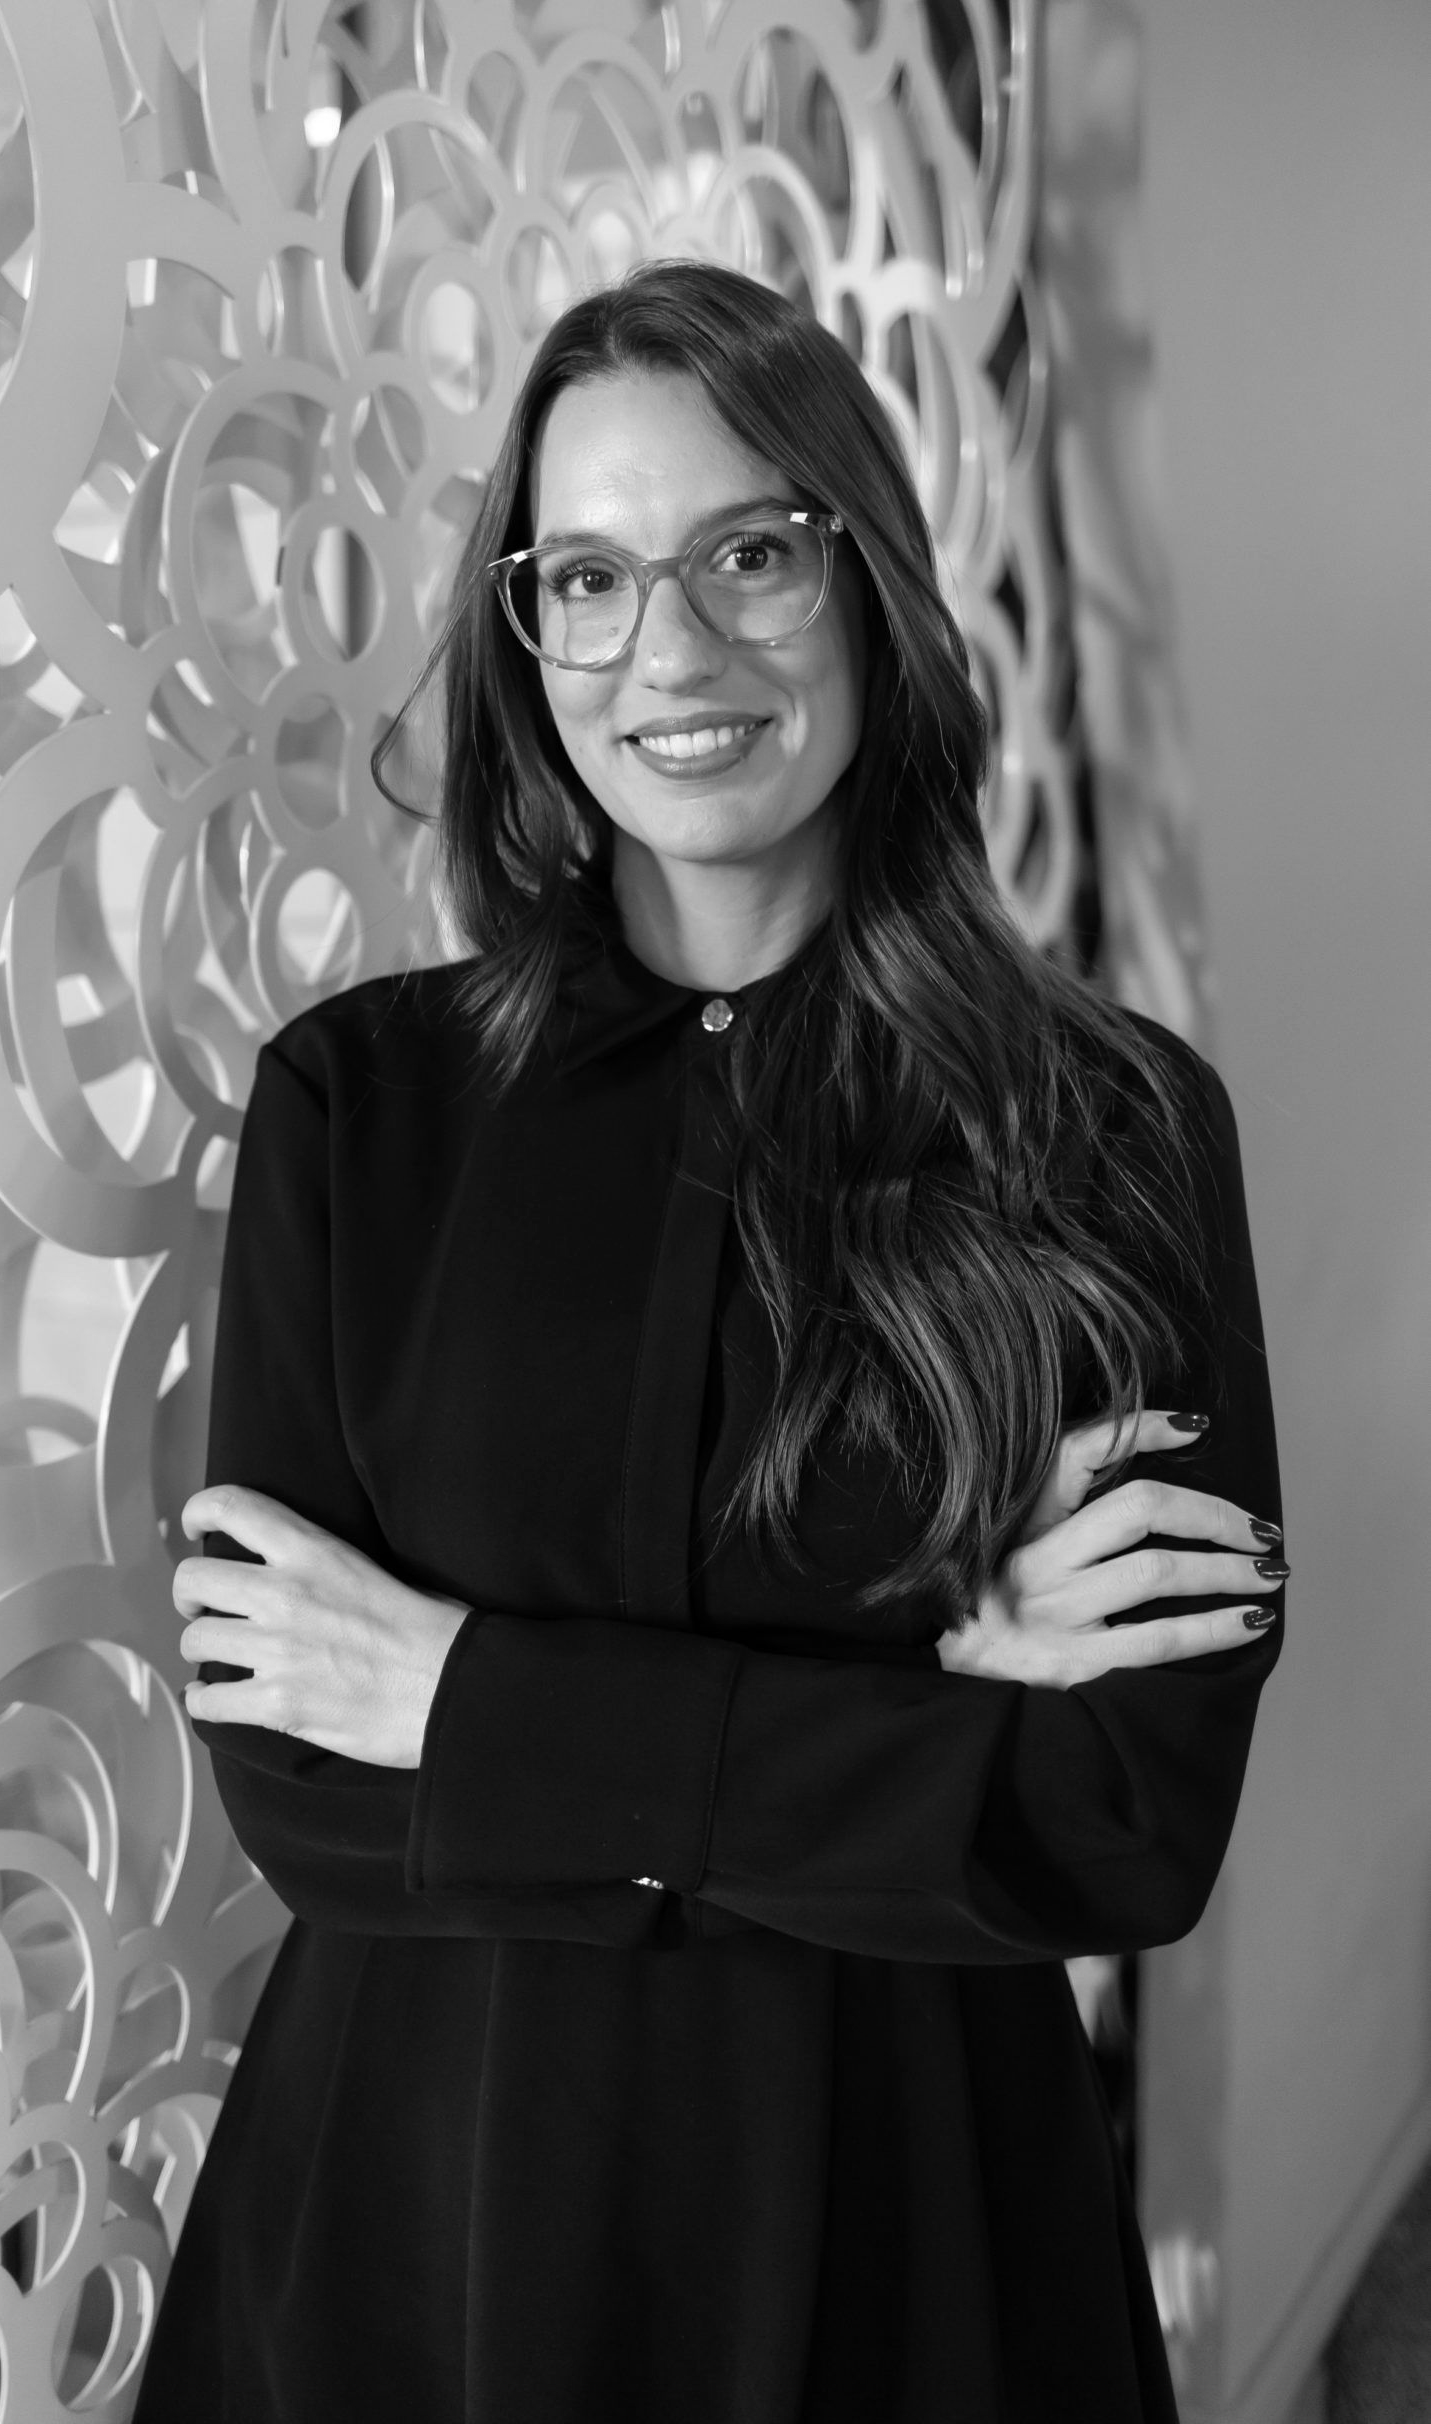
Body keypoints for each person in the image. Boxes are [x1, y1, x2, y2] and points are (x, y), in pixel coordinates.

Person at [135, 260, 1284, 2424]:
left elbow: (1122, 1819)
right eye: (586, 576)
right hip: (416, 2231)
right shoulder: (356, 1116)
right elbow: (303, 1795)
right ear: (527, 635)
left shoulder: (1103, 1127)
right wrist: (908, 1720)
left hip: (912, 2229)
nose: (670, 649)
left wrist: (463, 1695)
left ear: (865, 578)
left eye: (748, 552)